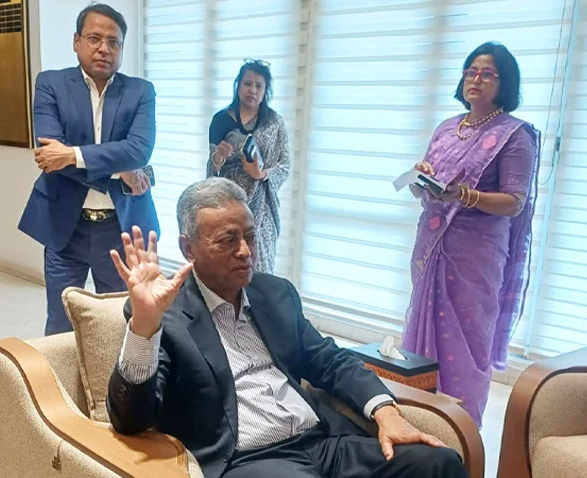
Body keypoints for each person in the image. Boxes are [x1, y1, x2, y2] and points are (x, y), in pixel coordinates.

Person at [106, 178, 466, 478]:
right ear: (189, 248)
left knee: (438, 463)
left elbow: (330, 361)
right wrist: (145, 324)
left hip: (324, 443)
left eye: (249, 236)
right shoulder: (163, 316)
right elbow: (131, 420)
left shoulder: (274, 293)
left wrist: (386, 412)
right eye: (228, 240)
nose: (245, 251)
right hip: (249, 459)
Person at [400, 42, 540, 427]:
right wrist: (421, 177)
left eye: (487, 74)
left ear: (504, 82)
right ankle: (418, 417)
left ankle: (459, 429)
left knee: (466, 340)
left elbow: (514, 201)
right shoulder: (447, 128)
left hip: (475, 255)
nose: (476, 79)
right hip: (433, 244)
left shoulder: (514, 135)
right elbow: (427, 192)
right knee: (423, 330)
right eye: (470, 72)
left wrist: (465, 196)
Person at [18, 3, 158, 335]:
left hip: (121, 228)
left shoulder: (140, 91)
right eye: (94, 38)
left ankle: (117, 373)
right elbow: (51, 158)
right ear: (76, 41)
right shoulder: (51, 84)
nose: (104, 48)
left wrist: (72, 154)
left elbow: (139, 150)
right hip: (65, 226)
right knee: (61, 321)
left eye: (114, 42)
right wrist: (120, 170)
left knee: (119, 319)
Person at [207, 59, 290, 273]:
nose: (252, 90)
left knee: (260, 268)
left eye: (258, 86)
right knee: (228, 263)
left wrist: (261, 174)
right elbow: (212, 171)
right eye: (247, 84)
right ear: (238, 85)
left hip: (262, 209)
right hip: (230, 202)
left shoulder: (275, 123)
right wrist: (218, 157)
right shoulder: (221, 120)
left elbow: (285, 166)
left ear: (265, 91)